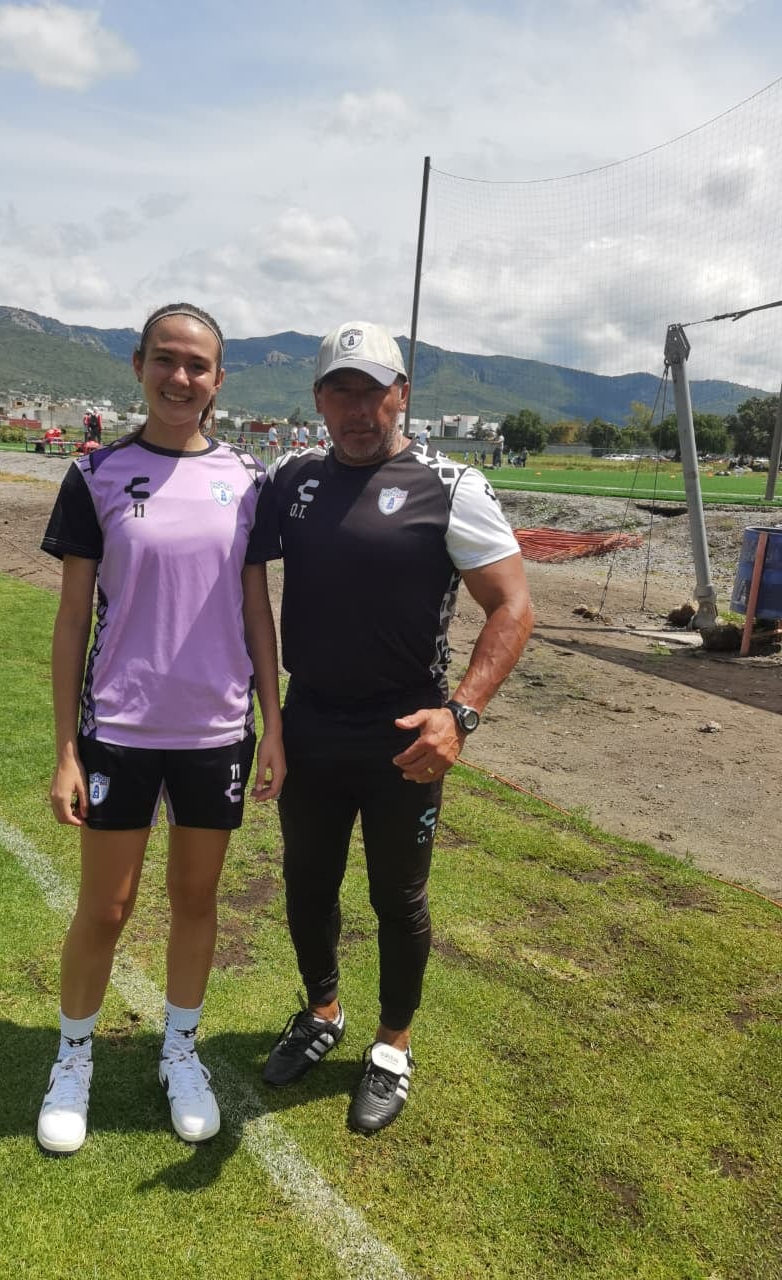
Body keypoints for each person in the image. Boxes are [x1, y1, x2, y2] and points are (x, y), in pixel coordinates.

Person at [247, 320, 533, 1134]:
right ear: (318, 400)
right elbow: (235, 562)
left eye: (372, 391)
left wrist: (461, 715)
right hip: (311, 721)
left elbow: (513, 606)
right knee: (307, 883)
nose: (357, 409)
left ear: (401, 394)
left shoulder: (452, 484)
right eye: (340, 391)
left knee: (397, 896)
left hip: (405, 732)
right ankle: (322, 1012)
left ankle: (392, 1047)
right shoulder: (293, 478)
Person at [37, 302, 285, 1153]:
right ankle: (73, 1059)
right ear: (139, 365)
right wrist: (65, 751)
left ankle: (181, 1049)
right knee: (106, 908)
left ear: (219, 379)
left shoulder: (248, 477)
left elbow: (255, 610)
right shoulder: (95, 473)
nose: (181, 378)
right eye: (166, 360)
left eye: (198, 365)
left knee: (196, 900)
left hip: (215, 732)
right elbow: (72, 620)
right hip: (120, 729)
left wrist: (273, 727)